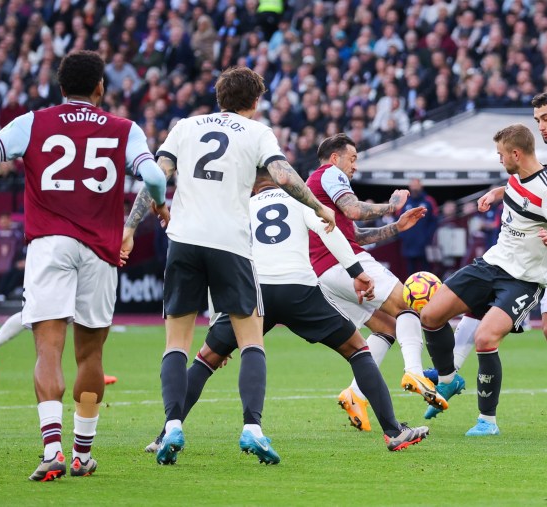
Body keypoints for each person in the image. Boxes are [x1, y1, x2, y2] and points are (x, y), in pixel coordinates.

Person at [0, 50, 168, 481]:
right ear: (101, 87)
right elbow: (153, 176)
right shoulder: (125, 129)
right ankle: (82, 454)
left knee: (48, 348)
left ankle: (52, 451)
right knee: (91, 353)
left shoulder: (34, 122)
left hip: (49, 245)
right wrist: (157, 203)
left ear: (60, 88)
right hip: (100, 249)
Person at [144, 168, 429, 454]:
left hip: (253, 294)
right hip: (299, 291)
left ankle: (165, 434)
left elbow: (221, 260)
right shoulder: (299, 199)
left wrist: (219, 317)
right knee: (358, 350)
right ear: (277, 178)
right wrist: (357, 271)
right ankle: (393, 432)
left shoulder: (239, 207)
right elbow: (329, 231)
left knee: (205, 361)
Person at [136, 66, 335, 465]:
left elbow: (157, 176)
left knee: (177, 342)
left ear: (218, 95)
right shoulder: (258, 132)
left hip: (185, 241)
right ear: (256, 101)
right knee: (251, 340)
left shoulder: (185, 126)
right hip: (230, 244)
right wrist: (317, 205)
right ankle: (252, 428)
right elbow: (282, 174)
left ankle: (173, 425)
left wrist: (134, 222)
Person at [432, 91, 547, 431]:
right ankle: (447, 370)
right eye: (537, 119)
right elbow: (533, 187)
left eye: (546, 118)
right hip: (545, 247)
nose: (541, 125)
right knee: (481, 304)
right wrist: (504, 192)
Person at [304, 134, 438, 432]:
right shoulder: (330, 174)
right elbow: (354, 210)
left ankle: (354, 394)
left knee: (386, 326)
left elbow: (355, 233)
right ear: (336, 158)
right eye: (352, 159)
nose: (354, 167)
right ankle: (414, 372)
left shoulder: (314, 186)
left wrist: (396, 226)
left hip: (326, 273)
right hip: (345, 263)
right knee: (408, 303)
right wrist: (391, 205)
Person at [0, 312, 118, 385]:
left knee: (85, 310)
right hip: (49, 262)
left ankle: (92, 371)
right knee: (34, 314)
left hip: (74, 261)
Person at [398, 178, 439, 274]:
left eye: (416, 185)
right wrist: (403, 236)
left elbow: (434, 220)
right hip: (408, 243)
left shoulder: (429, 201)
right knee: (410, 270)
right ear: (410, 187)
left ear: (421, 186)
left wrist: (428, 236)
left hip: (424, 243)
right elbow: (398, 219)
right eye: (413, 185)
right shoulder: (405, 202)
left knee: (426, 270)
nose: (415, 187)